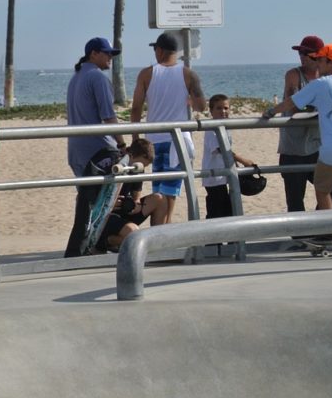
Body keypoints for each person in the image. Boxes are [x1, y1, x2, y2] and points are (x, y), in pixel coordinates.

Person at [130, 32, 206, 223]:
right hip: (177, 140)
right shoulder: (188, 74)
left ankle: (160, 228)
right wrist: (189, 101)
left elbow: (137, 106)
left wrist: (135, 136)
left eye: (155, 48)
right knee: (170, 191)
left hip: (154, 139)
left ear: (161, 50)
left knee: (158, 189)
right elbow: (201, 106)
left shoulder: (147, 73)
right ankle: (166, 226)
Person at [64, 37, 128, 257]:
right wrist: (122, 143)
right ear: (93, 54)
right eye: (106, 53)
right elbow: (108, 117)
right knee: (101, 205)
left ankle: (87, 247)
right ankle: (89, 247)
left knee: (88, 203)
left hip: (76, 150)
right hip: (98, 150)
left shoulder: (77, 77)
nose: (110, 57)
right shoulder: (97, 78)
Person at [265, 44, 332, 215]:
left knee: (322, 189)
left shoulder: (322, 84)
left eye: (320, 60)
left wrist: (270, 111)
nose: (317, 64)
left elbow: (291, 102)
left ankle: (327, 232)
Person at [95, 139, 165, 252]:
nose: (143, 168)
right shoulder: (115, 164)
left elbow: (136, 197)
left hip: (125, 211)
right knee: (134, 233)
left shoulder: (138, 167)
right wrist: (110, 203)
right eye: (144, 164)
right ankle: (107, 241)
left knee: (159, 199)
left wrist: (136, 205)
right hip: (108, 214)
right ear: (133, 155)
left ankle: (157, 246)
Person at [201, 95, 255, 219]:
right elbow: (221, 150)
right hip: (214, 178)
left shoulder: (224, 128)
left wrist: (234, 165)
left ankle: (230, 237)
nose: (223, 111)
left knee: (228, 209)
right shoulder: (211, 129)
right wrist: (242, 160)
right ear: (211, 111)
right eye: (219, 108)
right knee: (216, 211)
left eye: (226, 108)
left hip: (224, 176)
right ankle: (212, 237)